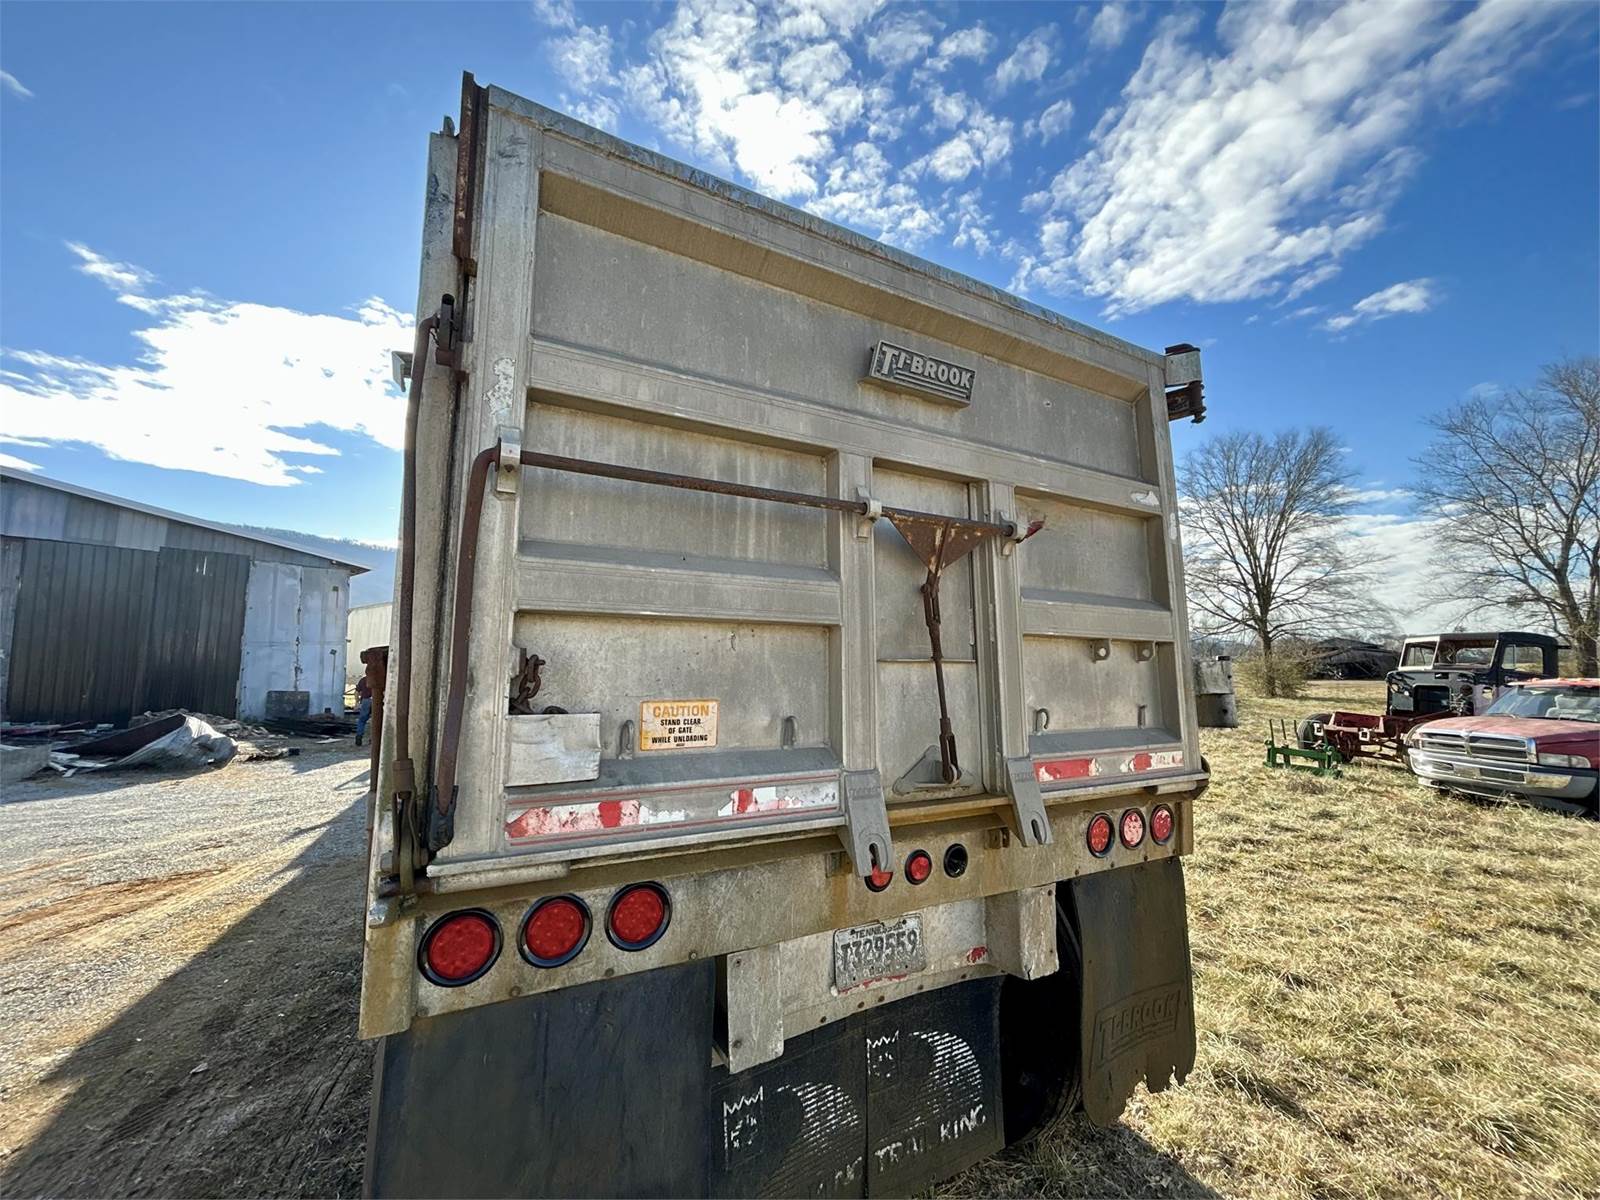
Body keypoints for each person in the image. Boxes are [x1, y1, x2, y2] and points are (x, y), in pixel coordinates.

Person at [355, 674, 373, 747]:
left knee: (362, 720)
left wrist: (357, 702)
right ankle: (373, 738)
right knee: (376, 720)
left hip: (365, 701)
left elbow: (356, 692)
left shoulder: (363, 680)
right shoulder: (380, 679)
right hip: (376, 700)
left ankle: (359, 736)